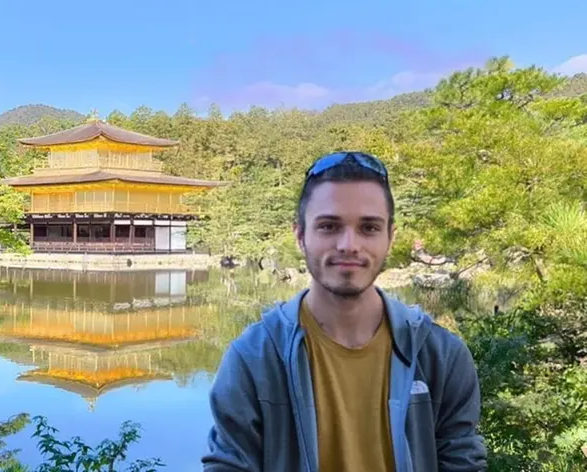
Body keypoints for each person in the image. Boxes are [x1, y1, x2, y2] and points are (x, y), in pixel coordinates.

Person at [201, 151, 487, 471]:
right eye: (329, 226)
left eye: (369, 228)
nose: (349, 244)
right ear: (300, 236)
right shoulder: (255, 358)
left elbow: (463, 462)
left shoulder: (440, 356)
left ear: (390, 238)